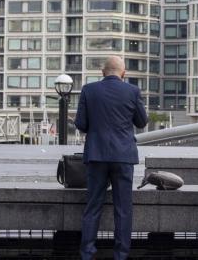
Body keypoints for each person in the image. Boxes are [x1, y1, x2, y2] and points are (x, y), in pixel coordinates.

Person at [75, 56, 148, 260]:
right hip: (123, 156)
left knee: (93, 206)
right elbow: (142, 122)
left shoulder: (89, 90)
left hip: (97, 155)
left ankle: (87, 253)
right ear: (123, 73)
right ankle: (121, 255)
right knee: (123, 209)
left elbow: (81, 124)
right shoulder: (132, 91)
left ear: (102, 72)